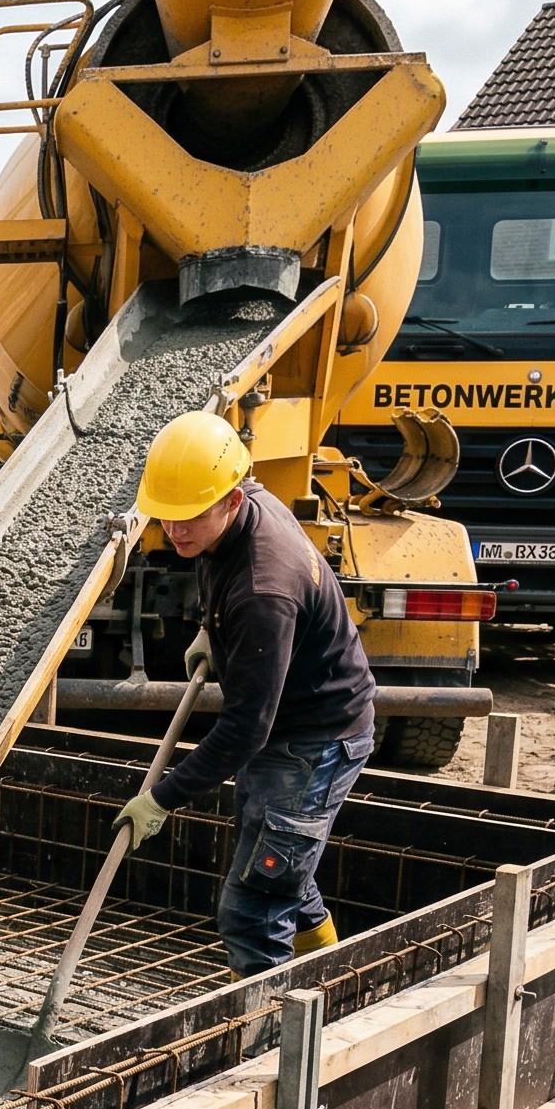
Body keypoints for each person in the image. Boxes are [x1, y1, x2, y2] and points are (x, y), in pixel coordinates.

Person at [112, 412, 377, 978]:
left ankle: (266, 1047)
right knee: (284, 872)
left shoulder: (264, 587)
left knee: (253, 908)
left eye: (191, 519)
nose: (175, 531)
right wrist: (215, 631)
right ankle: (330, 986)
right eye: (167, 517)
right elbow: (214, 560)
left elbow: (244, 728)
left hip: (315, 741)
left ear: (232, 500)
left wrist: (162, 798)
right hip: (290, 723)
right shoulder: (242, 501)